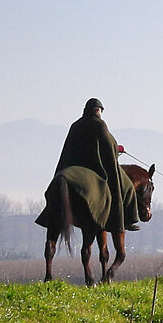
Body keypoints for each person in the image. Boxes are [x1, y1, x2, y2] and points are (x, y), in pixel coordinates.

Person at [55, 98, 139, 230]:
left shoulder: (75, 125)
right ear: (97, 111)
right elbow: (109, 144)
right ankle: (126, 219)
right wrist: (117, 149)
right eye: (100, 111)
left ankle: (51, 211)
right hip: (96, 168)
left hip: (72, 166)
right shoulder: (100, 125)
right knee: (127, 186)